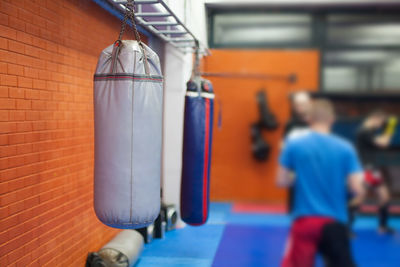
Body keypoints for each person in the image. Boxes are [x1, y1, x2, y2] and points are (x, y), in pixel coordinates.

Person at [277, 99, 365, 267]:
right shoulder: (345, 147)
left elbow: (281, 180)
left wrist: (300, 176)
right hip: (334, 221)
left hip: (305, 221)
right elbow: (357, 188)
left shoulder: (294, 145)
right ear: (332, 119)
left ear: (308, 119)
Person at [349, 110, 397, 234]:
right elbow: (384, 143)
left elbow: (380, 140)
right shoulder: (364, 131)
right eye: (380, 123)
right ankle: (345, 228)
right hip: (365, 168)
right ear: (375, 118)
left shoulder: (368, 130)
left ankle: (382, 226)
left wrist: (385, 128)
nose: (380, 126)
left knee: (383, 196)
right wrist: (390, 128)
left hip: (370, 168)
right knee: (360, 197)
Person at [283, 91, 312, 213]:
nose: (300, 107)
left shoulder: (313, 122)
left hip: (311, 162)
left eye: (302, 104)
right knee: (294, 186)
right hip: (294, 164)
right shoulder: (291, 124)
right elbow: (284, 143)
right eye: (297, 105)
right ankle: (293, 211)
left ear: (308, 104)